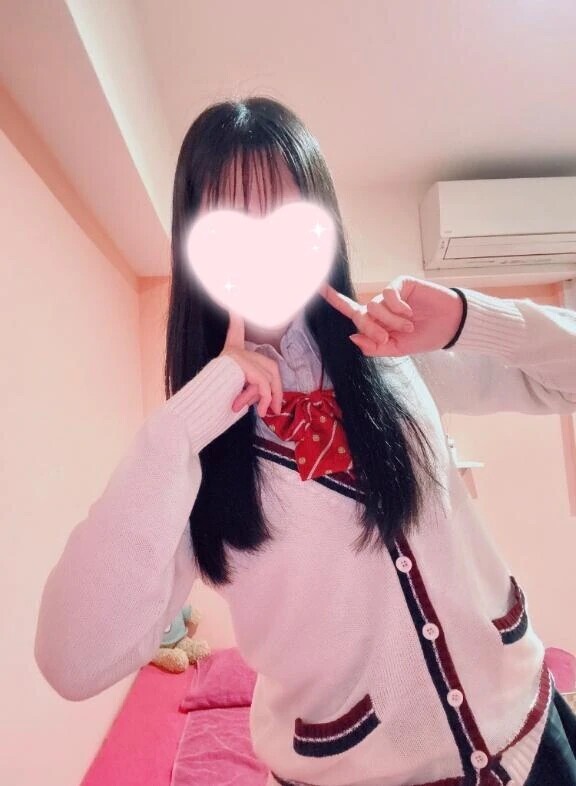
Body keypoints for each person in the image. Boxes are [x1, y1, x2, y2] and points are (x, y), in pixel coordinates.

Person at [34, 96, 576, 786]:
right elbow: (72, 661)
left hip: (531, 740)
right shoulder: (192, 451)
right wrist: (185, 422)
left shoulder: (393, 354)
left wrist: (471, 319)